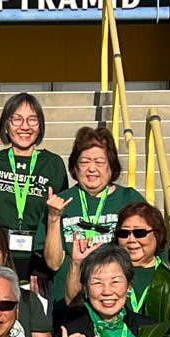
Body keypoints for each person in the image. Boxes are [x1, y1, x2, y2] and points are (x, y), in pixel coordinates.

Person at [39, 127, 146, 297]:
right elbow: (53, 263)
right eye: (84, 161)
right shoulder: (60, 202)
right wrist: (53, 218)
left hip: (116, 301)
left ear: (111, 165)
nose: (91, 168)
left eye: (99, 162)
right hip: (70, 301)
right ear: (75, 166)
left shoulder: (129, 199)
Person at [66, 201, 170, 323]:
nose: (131, 239)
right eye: (124, 233)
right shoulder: (104, 272)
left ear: (157, 234)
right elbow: (73, 303)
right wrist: (76, 263)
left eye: (139, 233)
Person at [0, 92, 67, 255]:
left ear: (40, 126)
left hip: (38, 258)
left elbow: (61, 217)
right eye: (16, 119)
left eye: (32, 119)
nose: (25, 126)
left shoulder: (52, 163)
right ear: (6, 126)